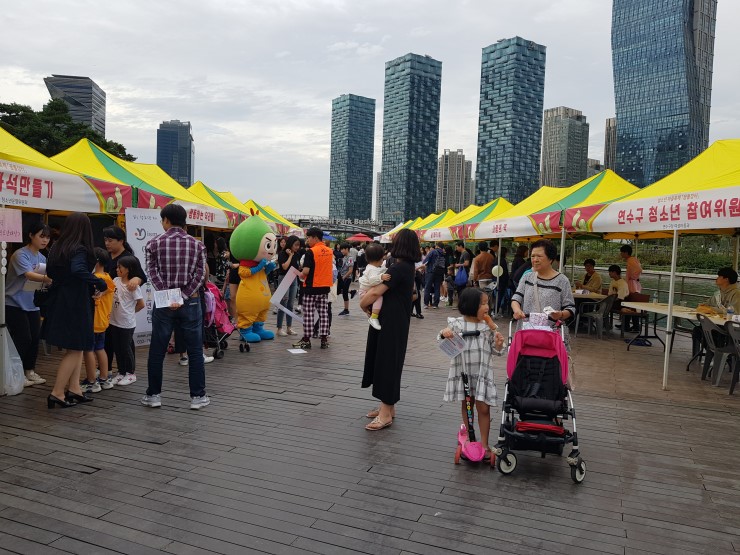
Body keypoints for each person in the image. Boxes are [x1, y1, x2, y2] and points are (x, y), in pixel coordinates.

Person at [142, 204, 209, 410]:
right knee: (195, 350)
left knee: (157, 349)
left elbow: (151, 271)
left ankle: (154, 395)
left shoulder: (153, 243)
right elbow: (201, 273)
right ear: (184, 221)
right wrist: (185, 293)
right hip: (191, 300)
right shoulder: (198, 245)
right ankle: (197, 398)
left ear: (166, 220)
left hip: (164, 303)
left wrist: (166, 293)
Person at [44, 213, 108, 408]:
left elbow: (53, 273)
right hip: (76, 304)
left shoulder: (57, 247)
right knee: (76, 348)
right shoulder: (79, 248)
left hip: (61, 300)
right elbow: (78, 270)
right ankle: (57, 392)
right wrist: (98, 282)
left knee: (77, 346)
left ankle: (74, 389)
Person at [360, 228, 420, 431]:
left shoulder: (398, 268)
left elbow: (376, 291)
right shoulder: (407, 266)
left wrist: (362, 305)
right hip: (396, 319)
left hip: (391, 321)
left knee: (387, 362)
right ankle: (388, 408)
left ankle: (385, 414)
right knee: (388, 360)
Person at [439, 288, 505, 460]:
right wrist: (445, 334)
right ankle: (469, 437)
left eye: (487, 304)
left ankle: (484, 443)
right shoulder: (457, 324)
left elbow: (496, 351)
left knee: (483, 408)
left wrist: (498, 344)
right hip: (464, 373)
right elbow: (441, 339)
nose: (487, 308)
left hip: (482, 374)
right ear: (470, 305)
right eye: (483, 304)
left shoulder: (487, 327)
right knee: (468, 406)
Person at [5, 220, 52, 387]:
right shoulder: (20, 254)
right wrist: (50, 279)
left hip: (32, 304)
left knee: (34, 338)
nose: (45, 240)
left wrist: (47, 282)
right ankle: (16, 373)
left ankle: (29, 371)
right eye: (41, 236)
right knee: (23, 338)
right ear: (31, 236)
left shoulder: (42, 257)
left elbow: (40, 281)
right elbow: (29, 275)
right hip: (13, 303)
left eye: (47, 237)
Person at [511, 239, 575, 337]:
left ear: (550, 259)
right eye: (533, 256)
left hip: (550, 335)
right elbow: (516, 299)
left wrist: (561, 314)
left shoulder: (562, 280)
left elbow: (570, 308)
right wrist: (517, 310)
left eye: (539, 256)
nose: (535, 260)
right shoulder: (527, 277)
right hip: (526, 333)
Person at [81, 248, 116, 393]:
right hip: (103, 321)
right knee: (100, 349)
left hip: (93, 321)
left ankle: (91, 381)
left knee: (88, 350)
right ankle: (104, 378)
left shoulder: (95, 279)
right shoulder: (108, 277)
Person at [293, 227, 333, 350]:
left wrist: (299, 274)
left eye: (308, 238)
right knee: (324, 313)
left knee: (309, 314)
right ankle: (324, 339)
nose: (307, 240)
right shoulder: (329, 251)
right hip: (325, 287)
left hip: (311, 287)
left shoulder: (311, 252)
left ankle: (306, 340)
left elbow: (306, 271)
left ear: (315, 238)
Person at [107, 256, 145, 386]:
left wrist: (130, 312)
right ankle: (121, 372)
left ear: (128, 270)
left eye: (120, 267)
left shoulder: (133, 286)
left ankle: (130, 373)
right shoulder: (115, 280)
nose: (117, 269)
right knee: (117, 347)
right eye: (117, 267)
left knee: (126, 347)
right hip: (114, 320)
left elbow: (141, 304)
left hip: (126, 323)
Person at [692, 268, 740, 357]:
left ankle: (720, 355)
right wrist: (703, 307)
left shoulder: (736, 294)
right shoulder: (718, 294)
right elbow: (706, 304)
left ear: (726, 279)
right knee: (698, 330)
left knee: (706, 332)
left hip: (730, 328)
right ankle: (715, 354)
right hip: (718, 325)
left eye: (719, 276)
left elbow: (735, 312)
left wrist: (713, 310)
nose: (716, 278)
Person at [358, 243, 391, 330]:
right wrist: (381, 277)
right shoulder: (371, 269)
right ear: (380, 258)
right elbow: (372, 281)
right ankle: (374, 317)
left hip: (365, 291)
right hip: (365, 292)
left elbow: (381, 270)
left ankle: (371, 315)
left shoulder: (372, 267)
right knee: (379, 297)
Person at [276, 236, 300, 336]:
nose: (297, 247)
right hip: (284, 278)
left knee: (290, 304)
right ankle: (279, 328)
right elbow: (284, 267)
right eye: (296, 245)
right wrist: (290, 256)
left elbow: (297, 267)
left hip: (294, 278)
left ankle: (289, 327)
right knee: (283, 304)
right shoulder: (282, 253)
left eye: (298, 245)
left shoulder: (297, 254)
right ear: (290, 244)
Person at [423, 243, 445, 309]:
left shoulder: (433, 251)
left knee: (427, 288)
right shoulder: (443, 253)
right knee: (437, 288)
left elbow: (425, 261)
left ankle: (426, 304)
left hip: (431, 271)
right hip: (439, 272)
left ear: (437, 246)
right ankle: (436, 304)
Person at [337, 242, 354, 316]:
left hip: (347, 278)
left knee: (344, 293)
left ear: (347, 249)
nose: (341, 251)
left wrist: (343, 277)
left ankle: (346, 310)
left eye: (342, 249)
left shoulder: (350, 258)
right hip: (343, 277)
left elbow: (350, 270)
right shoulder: (344, 257)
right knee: (341, 291)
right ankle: (352, 291)